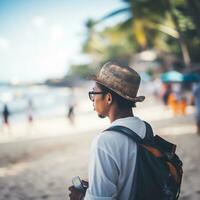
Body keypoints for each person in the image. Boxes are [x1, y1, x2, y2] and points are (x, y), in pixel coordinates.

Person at [68, 62, 146, 199]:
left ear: (108, 98)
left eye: (94, 93)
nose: (93, 99)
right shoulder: (144, 127)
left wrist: (80, 198)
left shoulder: (105, 142)